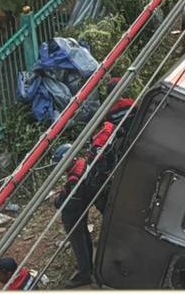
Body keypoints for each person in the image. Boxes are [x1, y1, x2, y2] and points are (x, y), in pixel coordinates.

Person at [56, 98, 134, 288]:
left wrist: (59, 200)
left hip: (89, 198)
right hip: (99, 191)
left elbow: (69, 206)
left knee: (78, 235)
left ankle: (85, 272)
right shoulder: (85, 161)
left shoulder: (75, 177)